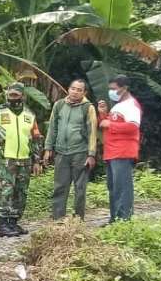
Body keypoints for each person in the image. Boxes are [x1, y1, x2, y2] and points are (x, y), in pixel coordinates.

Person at [0, 83, 42, 236]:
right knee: (4, 191)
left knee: (20, 192)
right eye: (10, 94)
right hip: (4, 159)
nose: (13, 97)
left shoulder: (29, 114)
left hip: (25, 160)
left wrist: (36, 161)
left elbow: (35, 139)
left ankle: (13, 223)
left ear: (22, 95)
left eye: (16, 94)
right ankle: (3, 225)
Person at [43, 80, 98, 220]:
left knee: (80, 188)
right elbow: (52, 128)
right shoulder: (59, 105)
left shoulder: (88, 108)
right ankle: (57, 218)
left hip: (80, 152)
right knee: (59, 186)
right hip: (61, 152)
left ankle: (78, 219)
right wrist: (48, 147)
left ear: (84, 93)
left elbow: (92, 132)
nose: (75, 92)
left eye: (79, 90)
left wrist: (91, 154)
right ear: (68, 89)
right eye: (73, 88)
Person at [99, 75, 143, 223]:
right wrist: (103, 114)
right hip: (112, 151)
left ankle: (124, 219)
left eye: (114, 89)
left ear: (124, 88)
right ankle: (115, 219)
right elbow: (108, 126)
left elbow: (133, 127)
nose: (111, 92)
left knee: (122, 187)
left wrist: (109, 124)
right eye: (110, 89)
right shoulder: (118, 105)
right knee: (113, 187)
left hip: (123, 151)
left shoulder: (131, 105)